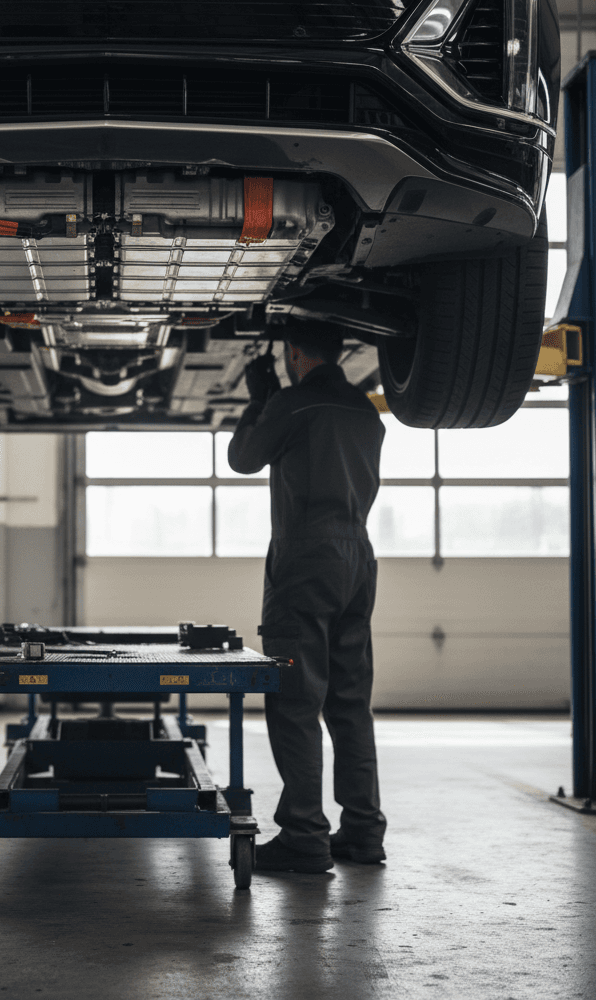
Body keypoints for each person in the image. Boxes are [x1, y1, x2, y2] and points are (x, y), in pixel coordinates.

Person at [227, 320, 387, 873]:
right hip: (357, 562)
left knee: (295, 703)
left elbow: (244, 457)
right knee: (349, 703)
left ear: (295, 354)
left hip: (304, 566)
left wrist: (260, 399)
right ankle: (363, 833)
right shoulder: (365, 410)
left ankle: (304, 836)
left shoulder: (294, 405)